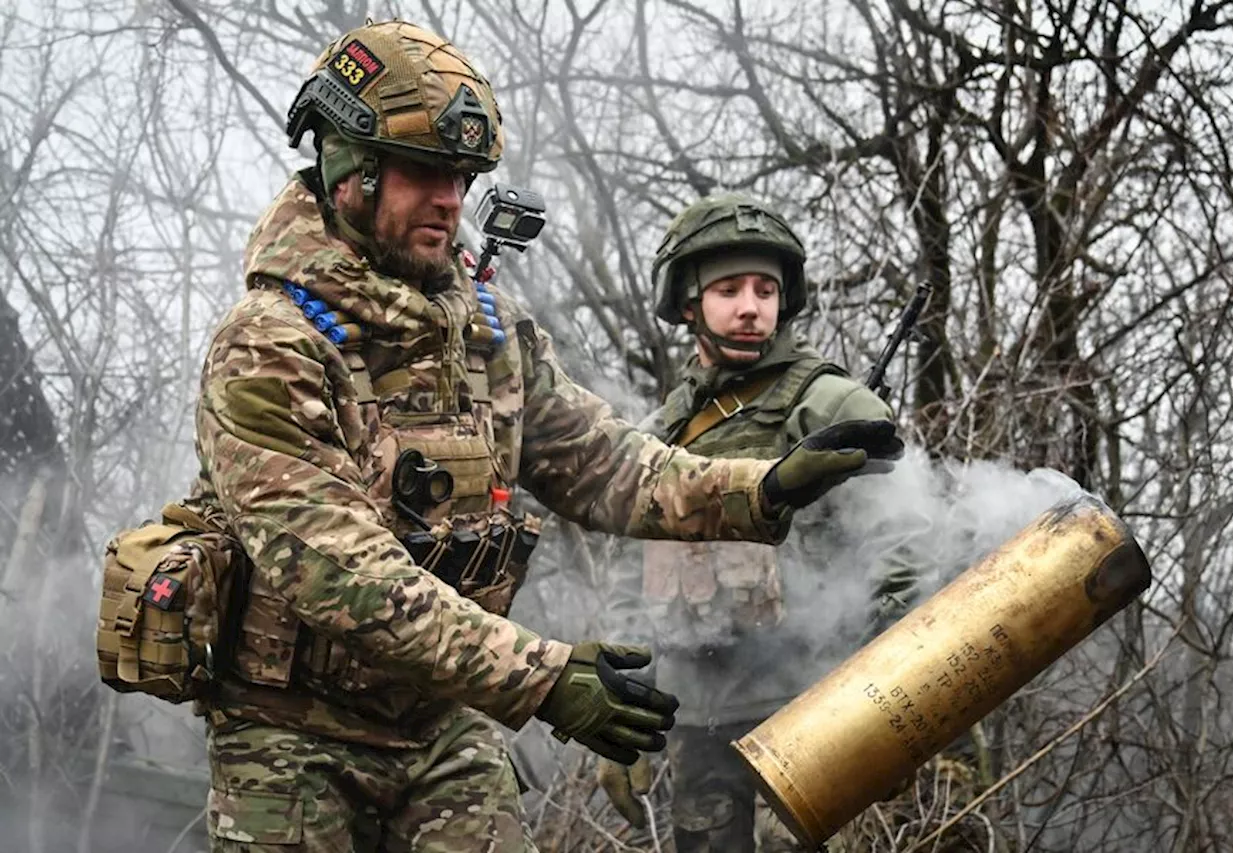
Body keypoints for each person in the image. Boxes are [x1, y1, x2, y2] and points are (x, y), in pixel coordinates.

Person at [181, 21, 903, 853]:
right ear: (351, 168)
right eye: (426, 173)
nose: (452, 201)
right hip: (290, 736)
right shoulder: (271, 342)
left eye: (463, 177)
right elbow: (337, 570)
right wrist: (547, 678)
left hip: (439, 723)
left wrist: (760, 488)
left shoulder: (486, 330)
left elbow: (603, 465)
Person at [596, 195, 917, 852]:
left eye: (766, 289)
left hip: (807, 710)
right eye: (729, 289)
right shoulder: (663, 433)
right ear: (688, 303)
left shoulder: (827, 403)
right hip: (698, 718)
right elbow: (633, 586)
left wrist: (885, 702)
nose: (751, 306)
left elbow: (902, 544)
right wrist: (623, 724)